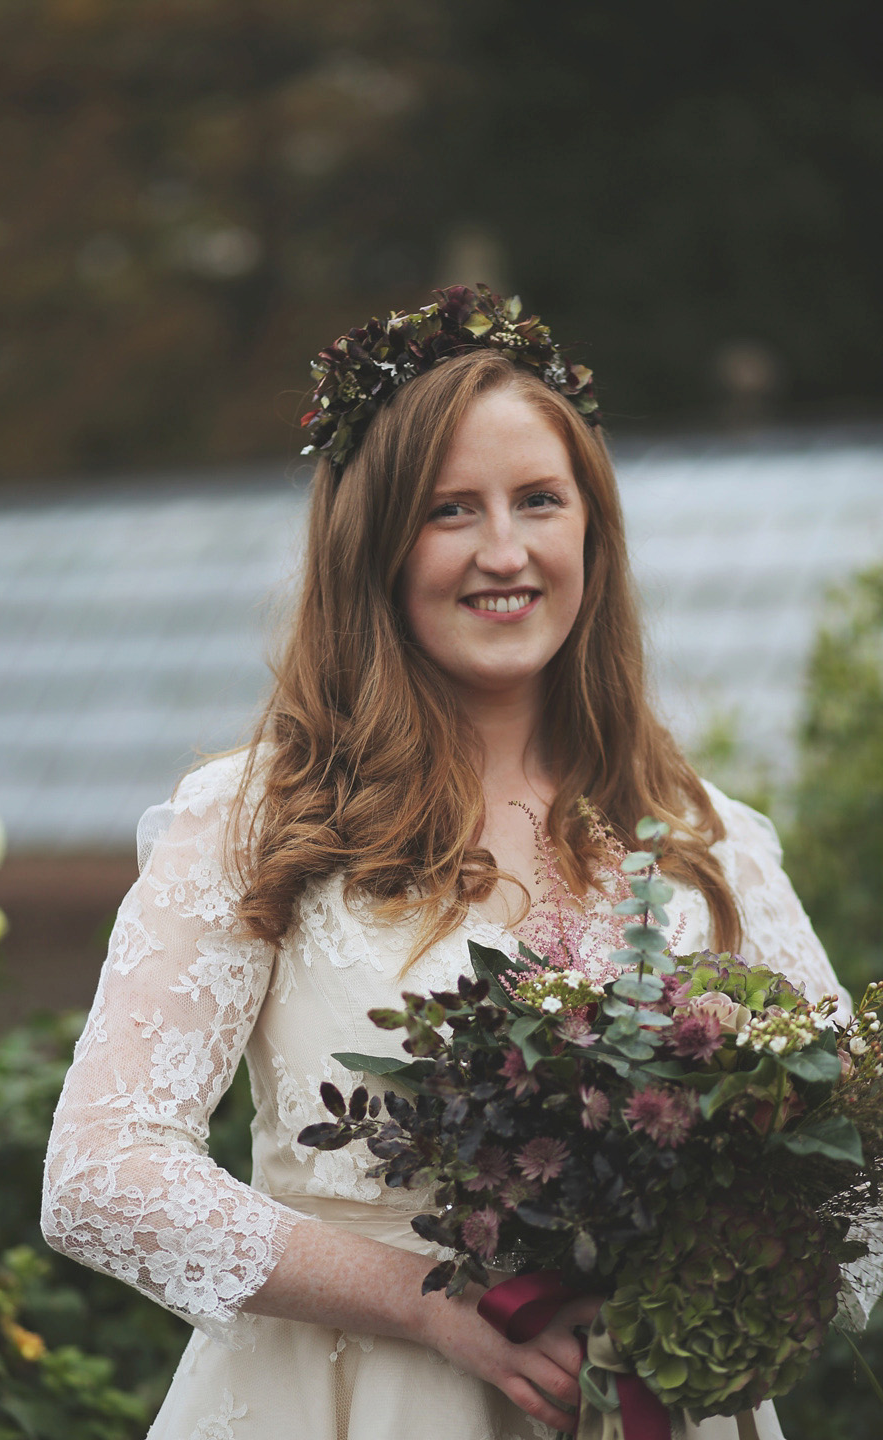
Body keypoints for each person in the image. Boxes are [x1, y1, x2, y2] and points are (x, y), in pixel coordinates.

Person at [41, 285, 848, 1440]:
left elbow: (845, 1175)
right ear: (373, 544)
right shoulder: (255, 820)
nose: (505, 551)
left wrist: (724, 1282)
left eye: (539, 501)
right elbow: (99, 1175)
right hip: (348, 1399)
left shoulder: (707, 838)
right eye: (448, 511)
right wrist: (430, 1305)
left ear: (593, 532)